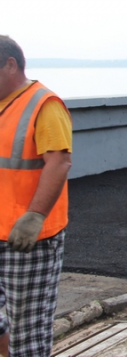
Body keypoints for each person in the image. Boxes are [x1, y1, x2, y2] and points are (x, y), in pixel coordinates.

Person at [0, 36, 72, 357]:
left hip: (27, 238)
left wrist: (35, 216)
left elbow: (59, 161)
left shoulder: (44, 104)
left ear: (10, 65)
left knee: (26, 330)